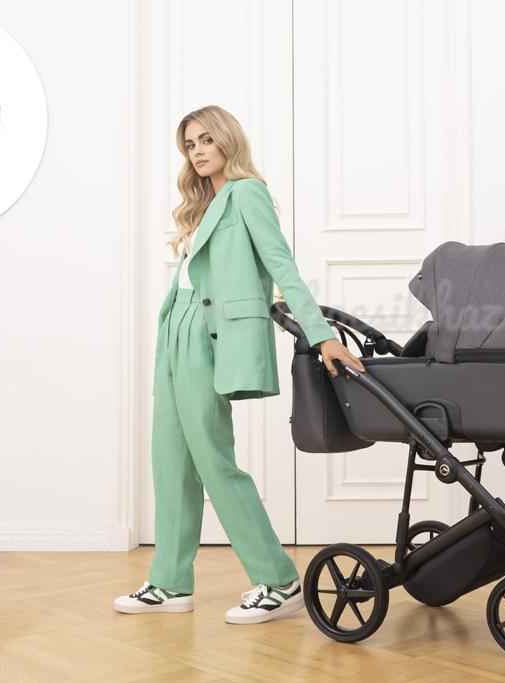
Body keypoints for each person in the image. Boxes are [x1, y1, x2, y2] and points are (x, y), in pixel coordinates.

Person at [113, 105, 366, 624]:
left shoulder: (247, 194)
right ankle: (169, 582)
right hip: (176, 330)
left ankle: (277, 578)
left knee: (213, 459)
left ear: (228, 139)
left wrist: (321, 335)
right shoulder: (204, 204)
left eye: (206, 139)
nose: (198, 151)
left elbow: (281, 265)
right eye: (190, 144)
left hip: (209, 338)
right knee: (170, 460)